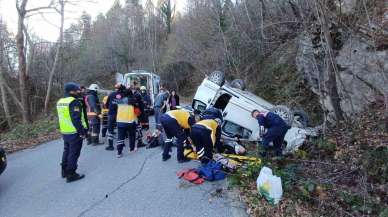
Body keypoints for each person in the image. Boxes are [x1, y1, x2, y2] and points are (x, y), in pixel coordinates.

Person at [56, 82, 87, 183]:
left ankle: (64, 171)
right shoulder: (74, 102)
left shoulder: (60, 101)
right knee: (74, 153)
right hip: (74, 132)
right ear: (71, 91)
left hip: (65, 131)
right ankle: (71, 174)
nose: (79, 91)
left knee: (67, 151)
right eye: (77, 90)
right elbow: (76, 119)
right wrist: (82, 132)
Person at [115, 88, 140, 158]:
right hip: (130, 121)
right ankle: (131, 149)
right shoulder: (132, 100)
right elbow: (137, 110)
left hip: (120, 121)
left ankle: (119, 153)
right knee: (132, 135)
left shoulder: (119, 100)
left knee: (120, 137)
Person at [105, 84, 126, 151]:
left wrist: (111, 107)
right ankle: (122, 143)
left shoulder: (111, 94)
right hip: (120, 114)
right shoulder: (123, 95)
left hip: (111, 114)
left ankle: (110, 146)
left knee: (110, 129)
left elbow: (107, 104)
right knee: (121, 129)